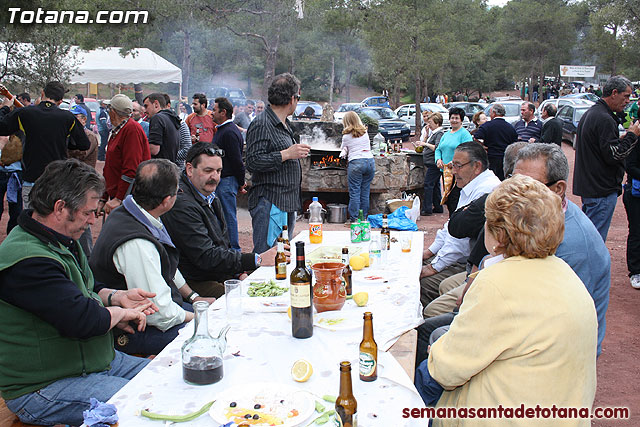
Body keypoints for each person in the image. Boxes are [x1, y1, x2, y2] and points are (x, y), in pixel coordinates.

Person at [418, 175, 598, 420]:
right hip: (560, 412)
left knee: (418, 380)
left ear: (499, 234)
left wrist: (437, 353)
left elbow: (447, 370)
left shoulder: (496, 282)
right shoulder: (565, 273)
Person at [0, 159, 155, 426]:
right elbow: (81, 321)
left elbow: (82, 289)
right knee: (147, 402)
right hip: (43, 386)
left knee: (170, 377)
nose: (93, 220)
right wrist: (119, 313)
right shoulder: (28, 260)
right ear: (60, 208)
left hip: (93, 363)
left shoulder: (57, 239)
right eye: (88, 212)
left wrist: (115, 296)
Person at [421, 143, 611, 358]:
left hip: (544, 350)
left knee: (439, 342)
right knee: (428, 332)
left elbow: (550, 326)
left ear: (558, 189)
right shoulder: (534, 217)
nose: (515, 192)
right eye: (513, 180)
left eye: (529, 186)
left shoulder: (572, 247)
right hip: (521, 323)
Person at [91, 159, 211, 356]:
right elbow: (160, 313)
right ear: (166, 201)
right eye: (177, 192)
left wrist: (194, 297)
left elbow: (168, 266)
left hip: (159, 311)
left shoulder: (134, 211)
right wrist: (203, 317)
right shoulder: (137, 242)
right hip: (134, 329)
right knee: (212, 338)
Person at [163, 143, 281, 297]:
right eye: (208, 171)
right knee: (252, 298)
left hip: (217, 272)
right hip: (194, 281)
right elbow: (206, 257)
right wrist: (257, 259)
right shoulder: (182, 204)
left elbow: (223, 244)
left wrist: (239, 273)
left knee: (272, 279)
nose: (215, 177)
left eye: (218, 171)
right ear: (190, 169)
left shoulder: (208, 193)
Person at [420, 141, 500, 307]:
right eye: (452, 165)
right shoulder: (470, 184)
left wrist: (434, 267)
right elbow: (451, 225)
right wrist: (430, 251)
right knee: (415, 265)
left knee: (421, 285)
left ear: (476, 166)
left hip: (468, 263)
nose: (453, 171)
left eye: (457, 166)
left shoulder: (487, 190)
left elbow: (460, 240)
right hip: (460, 258)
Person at [245, 73, 311, 253]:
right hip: (270, 202)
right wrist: (286, 154)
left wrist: (290, 154)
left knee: (282, 256)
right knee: (268, 256)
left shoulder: (284, 124)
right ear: (292, 98)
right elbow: (252, 161)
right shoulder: (262, 124)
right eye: (298, 98)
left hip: (285, 202)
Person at [0, 81, 90, 209]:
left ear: (42, 93)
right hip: (56, 180)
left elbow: (2, 127)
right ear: (60, 100)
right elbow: (84, 144)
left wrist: (5, 107)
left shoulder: (25, 114)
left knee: (31, 221)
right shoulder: (68, 118)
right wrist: (65, 141)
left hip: (32, 179)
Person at [574, 75, 640, 242]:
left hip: (592, 188)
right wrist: (632, 136)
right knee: (594, 242)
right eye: (626, 96)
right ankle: (591, 269)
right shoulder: (604, 118)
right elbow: (614, 155)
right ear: (614, 93)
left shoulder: (593, 113)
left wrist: (623, 139)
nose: (628, 101)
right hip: (600, 190)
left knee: (589, 238)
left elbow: (603, 149)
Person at [101, 94, 151, 215]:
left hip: (128, 198)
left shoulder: (131, 130)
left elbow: (131, 169)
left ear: (113, 112)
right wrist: (104, 196)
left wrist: (119, 198)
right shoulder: (118, 130)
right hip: (119, 194)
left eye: (109, 109)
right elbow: (110, 166)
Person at [211, 97, 245, 250]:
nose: (211, 113)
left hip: (227, 181)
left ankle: (234, 250)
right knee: (222, 216)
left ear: (223, 112)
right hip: (223, 181)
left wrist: (241, 181)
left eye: (214, 110)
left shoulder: (229, 132)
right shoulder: (224, 130)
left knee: (228, 217)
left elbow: (237, 160)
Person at [68, 105, 100, 256]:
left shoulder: (89, 136)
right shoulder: (70, 136)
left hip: (85, 185)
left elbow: (81, 153)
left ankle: (88, 259)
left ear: (84, 119)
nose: (72, 120)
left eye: (75, 117)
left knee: (84, 221)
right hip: (72, 184)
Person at [434, 107, 473, 214]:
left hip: (458, 173)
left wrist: (455, 162)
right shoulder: (446, 134)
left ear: (461, 120)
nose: (454, 120)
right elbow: (438, 149)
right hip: (446, 172)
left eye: (457, 118)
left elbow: (468, 151)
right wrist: (438, 159)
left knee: (455, 198)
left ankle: (455, 221)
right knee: (448, 198)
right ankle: (451, 221)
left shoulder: (464, 134)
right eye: (452, 118)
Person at [339, 111, 375, 222]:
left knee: (355, 192)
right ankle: (363, 218)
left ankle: (354, 219)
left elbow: (343, 149)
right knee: (365, 191)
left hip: (356, 163)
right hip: (369, 162)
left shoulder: (346, 136)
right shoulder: (365, 132)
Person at [473, 103, 518, 181]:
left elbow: (476, 137)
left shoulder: (487, 126)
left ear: (493, 113)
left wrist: (482, 146)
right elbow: (514, 143)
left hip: (491, 158)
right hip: (505, 159)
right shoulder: (510, 127)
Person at [416, 112, 444, 216]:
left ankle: (427, 208)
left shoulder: (439, 134)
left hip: (434, 163)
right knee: (436, 185)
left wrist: (425, 144)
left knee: (428, 184)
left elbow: (437, 147)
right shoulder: (432, 133)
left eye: (431, 122)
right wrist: (426, 135)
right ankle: (438, 206)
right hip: (431, 163)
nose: (429, 124)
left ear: (437, 123)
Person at [143, 93, 181, 162]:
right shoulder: (172, 118)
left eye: (146, 106)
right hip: (170, 167)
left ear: (156, 104)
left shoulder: (157, 118)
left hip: (159, 167)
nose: (145, 111)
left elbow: (154, 149)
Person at [624, 141, 640, 288]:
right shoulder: (635, 142)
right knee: (636, 231)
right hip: (635, 194)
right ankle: (635, 271)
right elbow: (630, 166)